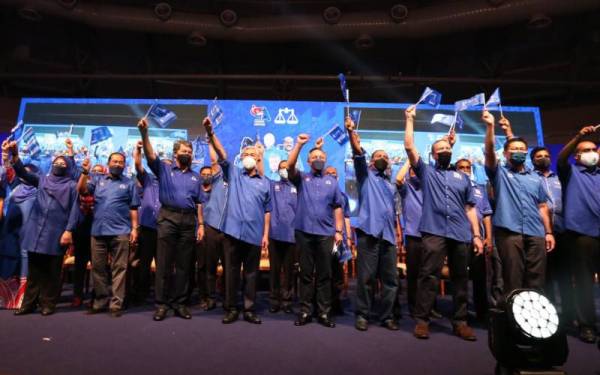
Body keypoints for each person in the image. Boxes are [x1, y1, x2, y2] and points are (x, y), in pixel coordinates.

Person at [405, 105, 483, 341]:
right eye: (440, 150)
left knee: (460, 277)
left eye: (447, 148)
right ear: (433, 154)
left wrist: (477, 235)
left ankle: (460, 322)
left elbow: (470, 208)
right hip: (433, 231)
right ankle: (422, 320)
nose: (444, 151)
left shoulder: (463, 177)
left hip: (460, 233)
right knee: (428, 276)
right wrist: (409, 119)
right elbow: (409, 146)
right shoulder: (427, 172)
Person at [204, 119, 272, 325]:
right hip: (232, 233)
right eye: (246, 154)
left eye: (253, 154)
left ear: (259, 158)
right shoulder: (233, 174)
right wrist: (210, 132)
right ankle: (231, 307)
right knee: (231, 272)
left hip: (253, 234)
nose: (249, 157)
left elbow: (267, 211)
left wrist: (265, 235)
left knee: (252, 274)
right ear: (241, 159)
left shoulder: (265, 183)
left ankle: (249, 309)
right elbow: (222, 155)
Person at [138, 117, 205, 321]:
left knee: (184, 266)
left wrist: (201, 225)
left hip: (189, 222)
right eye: (183, 151)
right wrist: (144, 133)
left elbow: (200, 202)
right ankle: (162, 304)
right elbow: (150, 155)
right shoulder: (164, 170)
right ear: (175, 154)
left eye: (189, 151)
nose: (187, 154)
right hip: (167, 218)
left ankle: (180, 303)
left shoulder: (196, 177)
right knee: (164, 265)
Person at [483, 111, 555, 302]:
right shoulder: (499, 173)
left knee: (537, 281)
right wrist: (491, 127)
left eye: (522, 149)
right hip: (509, 231)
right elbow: (489, 152)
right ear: (506, 154)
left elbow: (542, 206)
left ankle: (535, 324)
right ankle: (512, 323)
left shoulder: (535, 177)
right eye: (513, 148)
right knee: (513, 280)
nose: (518, 151)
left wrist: (548, 232)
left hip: (536, 232)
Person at [4, 140, 79, 316]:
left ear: (68, 167)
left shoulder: (72, 186)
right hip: (35, 231)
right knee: (34, 271)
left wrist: (69, 231)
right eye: (57, 162)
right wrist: (14, 155)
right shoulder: (43, 179)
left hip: (57, 232)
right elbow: (22, 172)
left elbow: (75, 209)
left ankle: (48, 304)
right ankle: (28, 304)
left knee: (52, 272)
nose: (59, 164)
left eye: (63, 163)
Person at [344, 117, 401, 331]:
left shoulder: (391, 184)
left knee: (390, 280)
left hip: (388, 235)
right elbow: (358, 154)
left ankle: (386, 316)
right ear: (371, 161)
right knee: (366, 278)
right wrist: (351, 133)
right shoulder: (365, 176)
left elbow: (393, 212)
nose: (382, 158)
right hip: (368, 233)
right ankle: (363, 315)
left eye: (385, 157)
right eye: (378, 156)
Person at [287, 133, 344, 328]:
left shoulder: (332, 182)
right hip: (303, 232)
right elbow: (289, 165)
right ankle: (305, 311)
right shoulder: (301, 178)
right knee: (305, 274)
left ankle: (324, 313)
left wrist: (339, 231)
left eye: (321, 157)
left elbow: (337, 207)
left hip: (326, 234)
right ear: (309, 161)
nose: (318, 159)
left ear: (325, 159)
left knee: (325, 275)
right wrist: (299, 144)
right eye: (315, 157)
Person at [77, 152, 140, 317]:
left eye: (121, 162)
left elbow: (134, 207)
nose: (118, 164)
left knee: (120, 268)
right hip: (98, 231)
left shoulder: (129, 183)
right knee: (98, 269)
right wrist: (84, 173)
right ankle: (100, 302)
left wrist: (134, 228)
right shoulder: (98, 180)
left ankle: (116, 304)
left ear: (124, 165)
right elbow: (82, 190)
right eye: (115, 161)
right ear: (108, 162)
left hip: (121, 231)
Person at [557, 125, 600, 343]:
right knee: (584, 283)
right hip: (581, 234)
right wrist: (579, 137)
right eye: (586, 150)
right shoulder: (570, 172)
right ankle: (587, 325)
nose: (592, 152)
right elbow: (561, 158)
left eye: (595, 148)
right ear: (578, 155)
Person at [455, 158, 493, 321]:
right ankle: (461, 313)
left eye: (467, 167)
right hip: (459, 237)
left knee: (480, 277)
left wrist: (489, 237)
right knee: (461, 277)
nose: (465, 169)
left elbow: (486, 215)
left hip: (478, 238)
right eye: (461, 167)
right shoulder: (452, 187)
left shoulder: (479, 189)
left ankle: (482, 312)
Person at [130, 140, 160, 305]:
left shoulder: (172, 185)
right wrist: (138, 150)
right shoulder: (148, 180)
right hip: (148, 228)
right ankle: (141, 293)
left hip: (165, 229)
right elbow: (138, 164)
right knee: (144, 264)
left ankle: (161, 295)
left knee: (163, 265)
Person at [267, 160, 298, 314]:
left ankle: (287, 301)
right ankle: (274, 300)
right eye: (281, 168)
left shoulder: (299, 187)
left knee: (289, 271)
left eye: (287, 168)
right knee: (274, 270)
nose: (284, 170)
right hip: (274, 234)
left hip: (292, 236)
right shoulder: (272, 185)